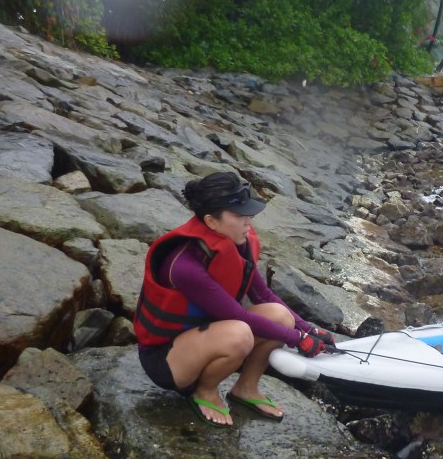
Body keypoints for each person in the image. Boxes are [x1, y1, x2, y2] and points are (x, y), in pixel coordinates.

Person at [134, 171, 336, 427]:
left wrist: (307, 328)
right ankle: (205, 391)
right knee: (240, 334)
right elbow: (238, 316)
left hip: (207, 335)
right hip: (168, 360)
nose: (248, 222)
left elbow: (262, 294)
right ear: (211, 221)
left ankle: (246, 388)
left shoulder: (236, 242)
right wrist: (298, 339)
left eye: (248, 214)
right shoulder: (184, 265)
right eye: (239, 216)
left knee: (280, 316)